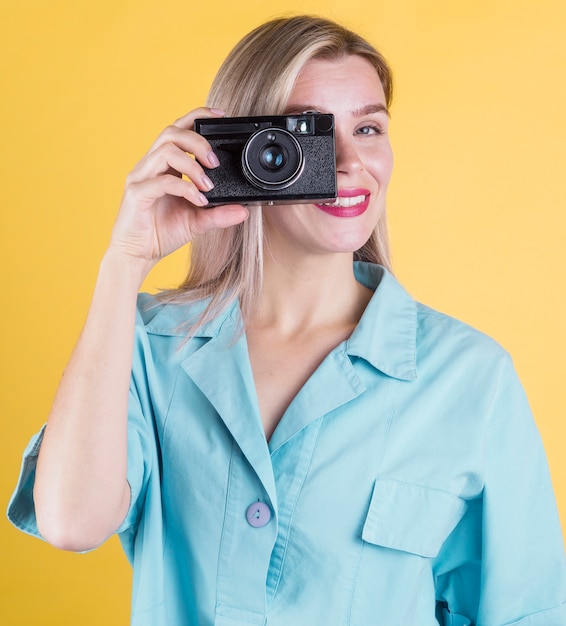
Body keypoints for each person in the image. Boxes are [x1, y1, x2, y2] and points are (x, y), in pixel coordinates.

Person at [7, 14, 566, 626]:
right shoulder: (151, 345)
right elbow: (69, 522)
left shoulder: (470, 378)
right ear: (249, 149)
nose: (351, 162)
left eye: (370, 127)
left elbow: (525, 613)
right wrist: (125, 260)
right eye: (310, 133)